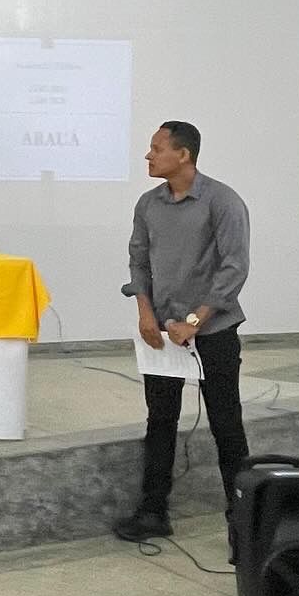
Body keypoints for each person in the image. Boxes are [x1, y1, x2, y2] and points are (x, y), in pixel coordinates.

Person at [113, 121, 251, 560]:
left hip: (213, 331)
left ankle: (245, 525)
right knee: (160, 420)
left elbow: (234, 267)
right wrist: (145, 313)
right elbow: (138, 262)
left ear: (184, 155)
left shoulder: (222, 201)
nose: (148, 156)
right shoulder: (148, 204)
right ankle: (153, 510)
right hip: (162, 333)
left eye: (156, 149)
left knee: (227, 425)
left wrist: (195, 319)